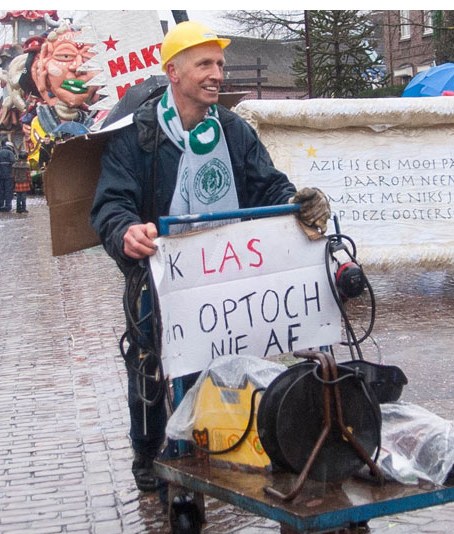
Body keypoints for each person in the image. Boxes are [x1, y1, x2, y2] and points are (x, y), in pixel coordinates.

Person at [90, 21, 330, 492]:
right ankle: (147, 451)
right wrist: (126, 231)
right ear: (173, 72)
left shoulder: (233, 129)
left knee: (222, 364)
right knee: (149, 366)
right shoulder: (136, 135)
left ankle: (217, 444)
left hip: (225, 274)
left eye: (220, 63)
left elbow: (268, 184)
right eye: (205, 64)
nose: (217, 73)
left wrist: (298, 202)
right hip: (158, 275)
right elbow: (111, 203)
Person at [0, 141, 16, 212]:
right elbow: (13, 162)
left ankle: (1, 205)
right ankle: (8, 205)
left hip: (0, 174)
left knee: (1, 190)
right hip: (8, 174)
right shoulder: (10, 153)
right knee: (8, 190)